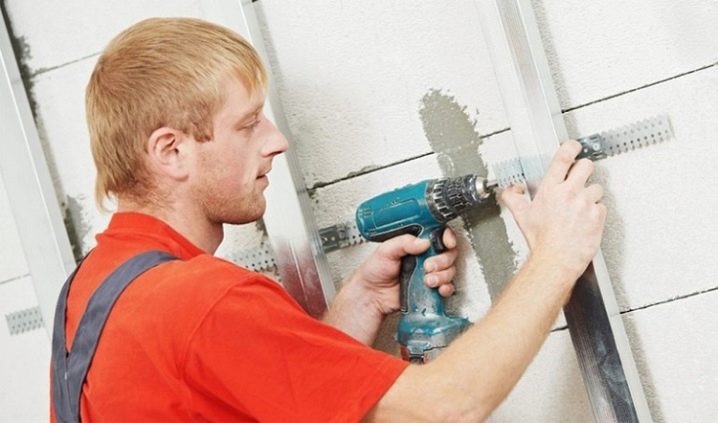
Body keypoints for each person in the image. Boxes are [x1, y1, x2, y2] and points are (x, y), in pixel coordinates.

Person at [50, 17, 606, 422]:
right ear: (171, 152)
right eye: (248, 124)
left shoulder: (89, 294)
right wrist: (555, 257)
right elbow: (446, 406)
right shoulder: (203, 301)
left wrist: (356, 307)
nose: (277, 141)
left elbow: (238, 394)